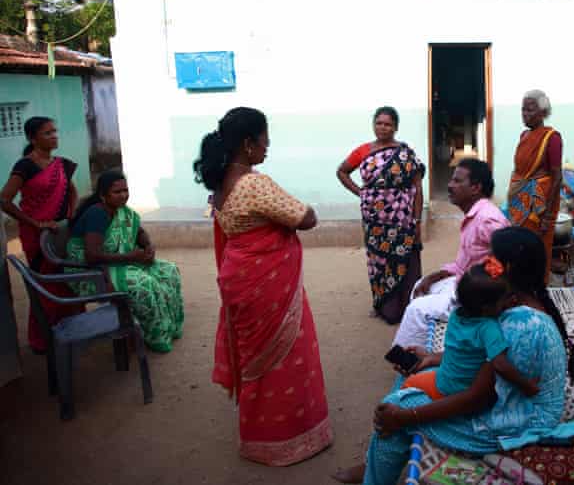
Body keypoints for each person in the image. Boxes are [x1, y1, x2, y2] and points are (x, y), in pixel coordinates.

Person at [334, 227, 574, 485]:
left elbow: (477, 398)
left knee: (398, 408)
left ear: (507, 267)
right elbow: (479, 356)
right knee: (410, 382)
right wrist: (431, 358)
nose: (485, 263)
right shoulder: (514, 301)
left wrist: (408, 417)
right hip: (507, 399)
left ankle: (376, 475)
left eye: (492, 259)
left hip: (521, 420)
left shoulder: (518, 324)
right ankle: (379, 465)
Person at [194, 106, 333, 466]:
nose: (268, 146)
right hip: (268, 287)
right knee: (287, 356)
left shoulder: (221, 182)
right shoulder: (254, 183)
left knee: (257, 360)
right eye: (264, 139)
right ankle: (291, 439)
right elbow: (306, 218)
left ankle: (258, 438)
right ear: (248, 144)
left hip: (240, 278)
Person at [391, 158, 509, 349]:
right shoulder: (475, 215)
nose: (449, 185)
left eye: (457, 181)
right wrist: (433, 277)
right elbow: (462, 265)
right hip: (464, 282)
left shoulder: (488, 220)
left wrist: (475, 293)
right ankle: (424, 349)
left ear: (475, 188)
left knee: (416, 310)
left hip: (477, 295)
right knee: (420, 286)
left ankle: (407, 362)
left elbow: (504, 267)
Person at [66, 170, 184, 353]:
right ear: (103, 195)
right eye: (117, 192)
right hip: (91, 271)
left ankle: (169, 327)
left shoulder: (123, 212)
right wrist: (130, 257)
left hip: (117, 261)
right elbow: (92, 256)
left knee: (169, 271)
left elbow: (139, 232)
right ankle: (153, 335)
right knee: (144, 284)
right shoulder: (97, 214)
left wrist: (148, 246)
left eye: (125, 190)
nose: (123, 195)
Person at [0, 116, 82, 352]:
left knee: (67, 280)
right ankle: (43, 338)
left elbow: (72, 191)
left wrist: (70, 218)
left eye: (55, 131)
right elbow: (5, 200)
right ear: (32, 138)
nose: (54, 136)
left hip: (60, 233)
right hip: (36, 236)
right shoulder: (24, 166)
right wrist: (35, 223)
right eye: (47, 133)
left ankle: (73, 330)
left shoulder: (62, 164)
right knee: (43, 286)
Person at [337, 106, 425, 324]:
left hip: (402, 217)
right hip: (374, 220)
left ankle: (408, 305)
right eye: (379, 123)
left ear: (395, 127)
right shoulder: (363, 151)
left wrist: (417, 219)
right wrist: (361, 192)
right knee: (378, 260)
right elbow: (342, 171)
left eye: (387, 124)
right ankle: (383, 305)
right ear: (373, 125)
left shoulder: (405, 152)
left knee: (406, 257)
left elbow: (418, 188)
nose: (383, 128)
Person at [402, 260, 539, 400]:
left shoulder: (456, 316)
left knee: (406, 384)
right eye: (504, 300)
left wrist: (430, 358)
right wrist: (528, 386)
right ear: (487, 308)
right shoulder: (489, 328)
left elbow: (460, 352)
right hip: (465, 393)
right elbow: (500, 365)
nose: (510, 302)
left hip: (444, 382)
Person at [507, 89, 563, 277]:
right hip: (519, 203)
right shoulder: (524, 136)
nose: (525, 114)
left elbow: (557, 177)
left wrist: (547, 215)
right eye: (523, 110)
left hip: (538, 208)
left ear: (543, 112)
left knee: (536, 249)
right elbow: (520, 172)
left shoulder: (552, 138)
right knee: (518, 248)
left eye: (530, 110)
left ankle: (537, 290)